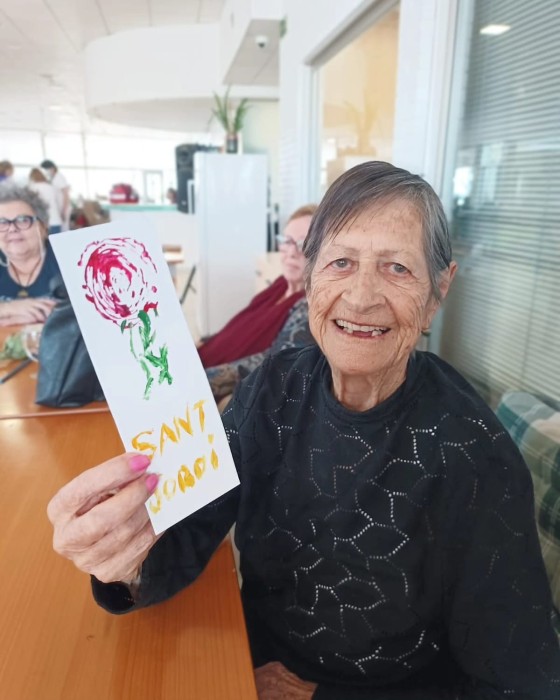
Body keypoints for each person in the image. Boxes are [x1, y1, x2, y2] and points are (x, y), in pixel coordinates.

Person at [47, 162, 560, 699]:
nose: (361, 297)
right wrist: (124, 556)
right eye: (340, 262)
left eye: (397, 268)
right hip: (243, 663)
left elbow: (517, 687)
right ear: (310, 278)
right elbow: (188, 530)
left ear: (438, 290)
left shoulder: (475, 456)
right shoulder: (273, 389)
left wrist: (319, 697)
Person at [200, 204, 316, 400]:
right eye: (287, 241)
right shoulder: (280, 285)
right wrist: (205, 341)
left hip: (210, 385)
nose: (291, 252)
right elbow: (239, 327)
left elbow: (272, 364)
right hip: (203, 360)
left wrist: (199, 379)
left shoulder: (307, 307)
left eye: (303, 243)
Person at [0, 184, 59, 325]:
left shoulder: (68, 259)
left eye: (23, 220)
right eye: (2, 223)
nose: (12, 229)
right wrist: (8, 308)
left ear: (43, 227)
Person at [28, 167, 63, 234]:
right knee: (56, 240)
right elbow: (59, 203)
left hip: (41, 222)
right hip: (55, 221)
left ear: (31, 177)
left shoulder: (32, 188)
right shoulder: (51, 187)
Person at [40, 159, 71, 231]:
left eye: (46, 169)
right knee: (61, 230)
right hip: (59, 208)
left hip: (64, 207)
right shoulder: (52, 178)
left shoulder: (59, 177)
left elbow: (66, 194)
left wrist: (64, 211)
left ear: (52, 168)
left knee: (64, 230)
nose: (46, 172)